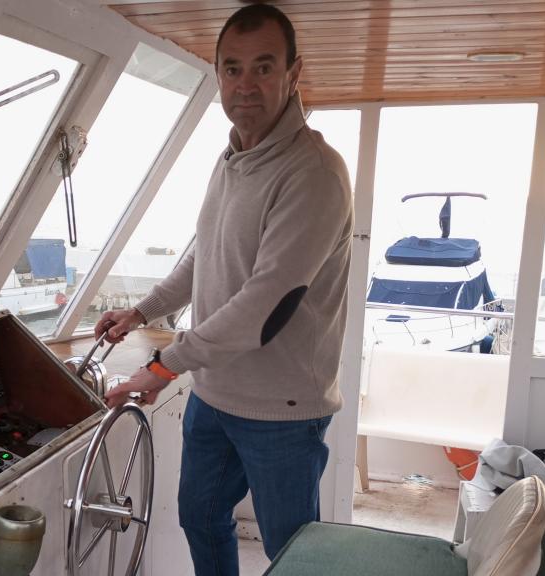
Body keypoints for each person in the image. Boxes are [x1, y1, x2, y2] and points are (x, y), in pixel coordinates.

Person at [95, 3, 353, 574]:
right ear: (217, 77)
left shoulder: (312, 172)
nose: (246, 85)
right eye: (232, 69)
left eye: (264, 67)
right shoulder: (232, 157)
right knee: (201, 517)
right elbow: (203, 253)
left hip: (282, 410)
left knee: (292, 552)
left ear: (294, 72)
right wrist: (141, 311)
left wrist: (164, 366)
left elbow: (265, 304)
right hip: (214, 395)